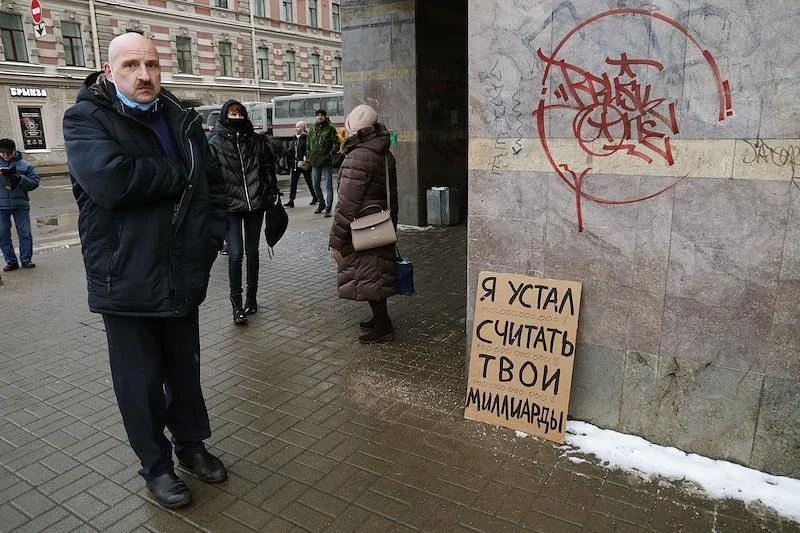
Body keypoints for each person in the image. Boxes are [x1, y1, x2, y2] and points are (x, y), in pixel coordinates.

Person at [63, 32, 229, 509]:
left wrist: (208, 242)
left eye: (152, 64)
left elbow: (214, 186)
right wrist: (177, 174)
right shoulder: (85, 118)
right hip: (126, 280)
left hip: (181, 275)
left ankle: (191, 447)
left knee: (185, 373)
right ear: (109, 70)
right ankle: (156, 466)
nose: (144, 74)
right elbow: (112, 181)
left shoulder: (181, 118)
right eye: (132, 65)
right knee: (139, 385)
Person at [329, 104, 398, 344]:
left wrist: (336, 241)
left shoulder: (357, 157)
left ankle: (383, 326)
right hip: (380, 223)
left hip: (362, 226)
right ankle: (380, 319)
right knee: (374, 273)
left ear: (352, 128)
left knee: (369, 274)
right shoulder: (383, 152)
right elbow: (391, 195)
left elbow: (347, 205)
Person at [208, 100, 278, 324]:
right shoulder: (215, 142)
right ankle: (236, 305)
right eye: (232, 114)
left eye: (240, 114)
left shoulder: (256, 140)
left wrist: (269, 190)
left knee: (253, 252)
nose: (236, 118)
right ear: (224, 116)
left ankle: (252, 298)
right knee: (236, 253)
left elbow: (268, 167)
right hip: (230, 207)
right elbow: (210, 177)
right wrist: (216, 201)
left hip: (255, 204)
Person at [0, 138, 40, 271]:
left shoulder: (25, 165)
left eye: (9, 153)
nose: (6, 156)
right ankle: (11, 261)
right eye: (3, 153)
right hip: (1, 205)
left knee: (25, 233)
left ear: (14, 151)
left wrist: (19, 178)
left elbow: (34, 183)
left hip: (20, 204)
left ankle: (26, 259)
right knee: (2, 234)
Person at [307, 109, 340, 217]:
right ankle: (321, 203)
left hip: (326, 161)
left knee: (328, 185)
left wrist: (330, 154)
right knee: (315, 184)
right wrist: (309, 155)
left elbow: (336, 143)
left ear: (325, 117)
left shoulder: (330, 128)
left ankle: (328, 208)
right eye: (318, 115)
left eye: (321, 115)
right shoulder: (312, 128)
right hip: (315, 160)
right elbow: (308, 142)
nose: (319, 117)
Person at [284, 121, 316, 208]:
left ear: (303, 128)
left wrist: (307, 157)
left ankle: (315, 197)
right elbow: (293, 150)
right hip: (295, 164)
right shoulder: (294, 138)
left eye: (299, 127)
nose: (297, 128)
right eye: (296, 127)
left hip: (304, 164)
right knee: (293, 183)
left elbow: (309, 149)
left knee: (309, 181)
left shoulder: (306, 138)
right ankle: (291, 200)